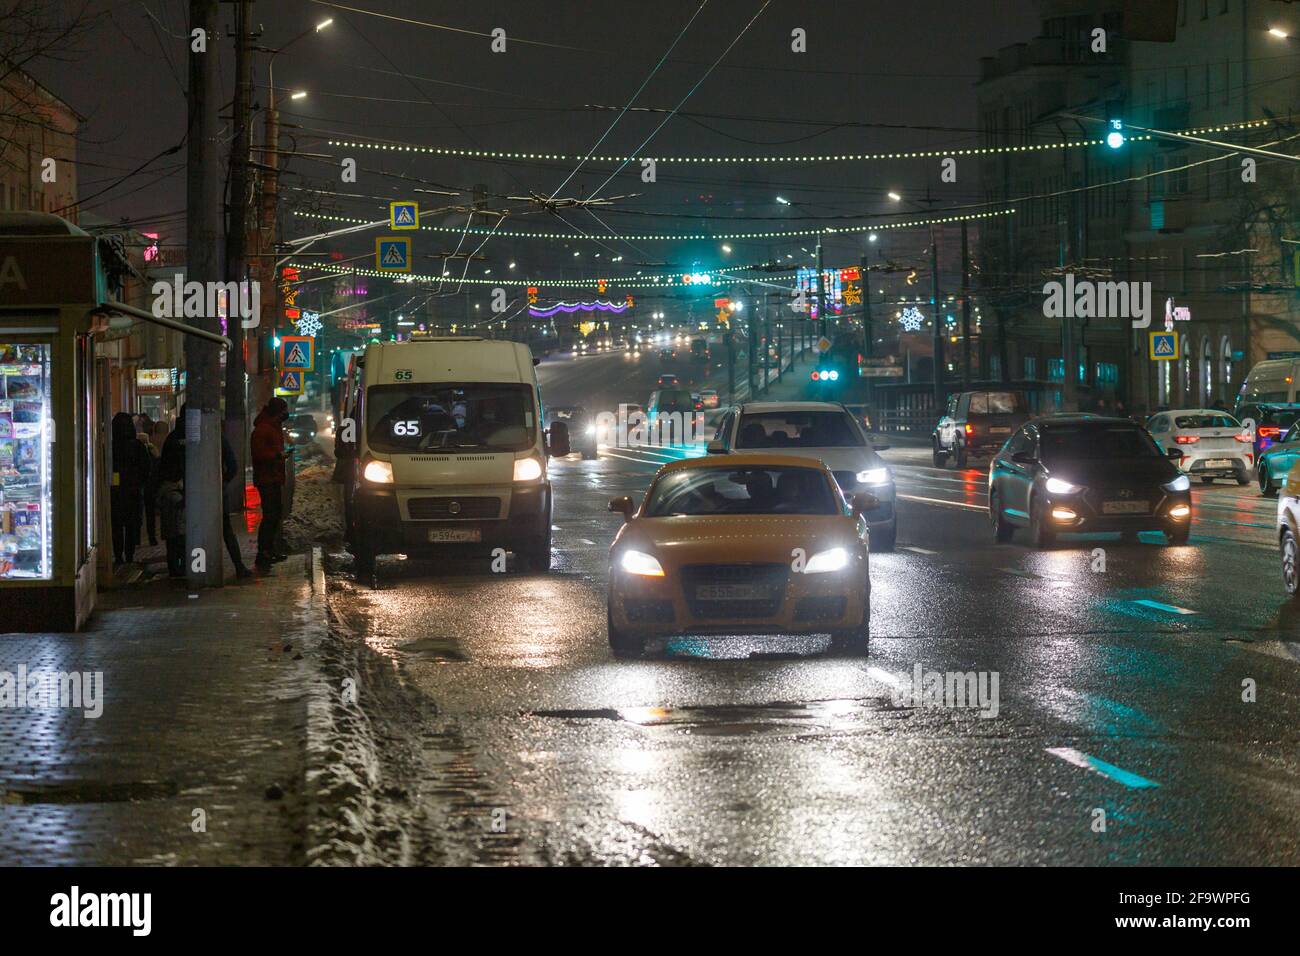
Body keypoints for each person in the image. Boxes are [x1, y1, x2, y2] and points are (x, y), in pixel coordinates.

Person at [251, 397, 290, 572]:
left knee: (275, 514)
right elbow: (260, 455)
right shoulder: (263, 429)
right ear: (277, 412)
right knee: (270, 516)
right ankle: (263, 553)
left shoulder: (273, 427)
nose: (285, 414)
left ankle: (269, 550)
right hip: (266, 479)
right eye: (283, 411)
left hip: (274, 478)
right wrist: (277, 456)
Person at [109, 412, 152, 566]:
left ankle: (118, 555)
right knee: (132, 524)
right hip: (133, 491)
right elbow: (146, 468)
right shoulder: (137, 446)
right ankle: (129, 555)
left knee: (116, 525)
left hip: (115, 493)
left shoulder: (110, 447)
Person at [157, 406, 188, 578]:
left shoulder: (173, 438)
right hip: (175, 490)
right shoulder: (185, 438)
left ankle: (175, 568)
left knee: (173, 533)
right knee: (180, 533)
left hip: (170, 490)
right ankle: (180, 567)